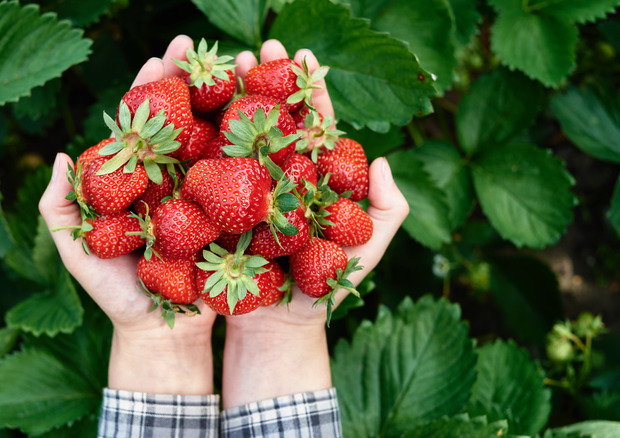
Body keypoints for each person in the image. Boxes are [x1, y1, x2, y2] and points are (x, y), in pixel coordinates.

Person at [39, 35, 409, 437]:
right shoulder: (223, 184)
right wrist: (288, 335)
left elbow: (220, 192)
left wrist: (151, 339)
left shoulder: (251, 193)